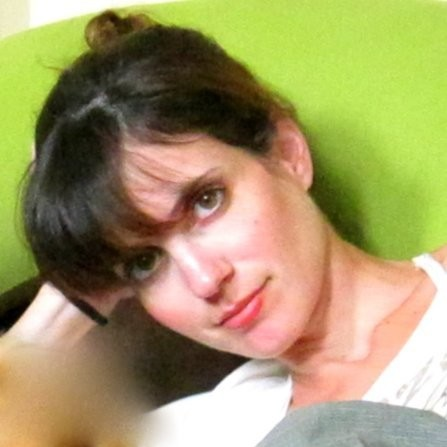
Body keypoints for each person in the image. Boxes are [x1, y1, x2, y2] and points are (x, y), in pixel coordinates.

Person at [9, 9, 447, 447]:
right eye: (145, 262)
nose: (205, 280)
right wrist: (74, 287)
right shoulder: (205, 427)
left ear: (287, 152)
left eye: (206, 201)